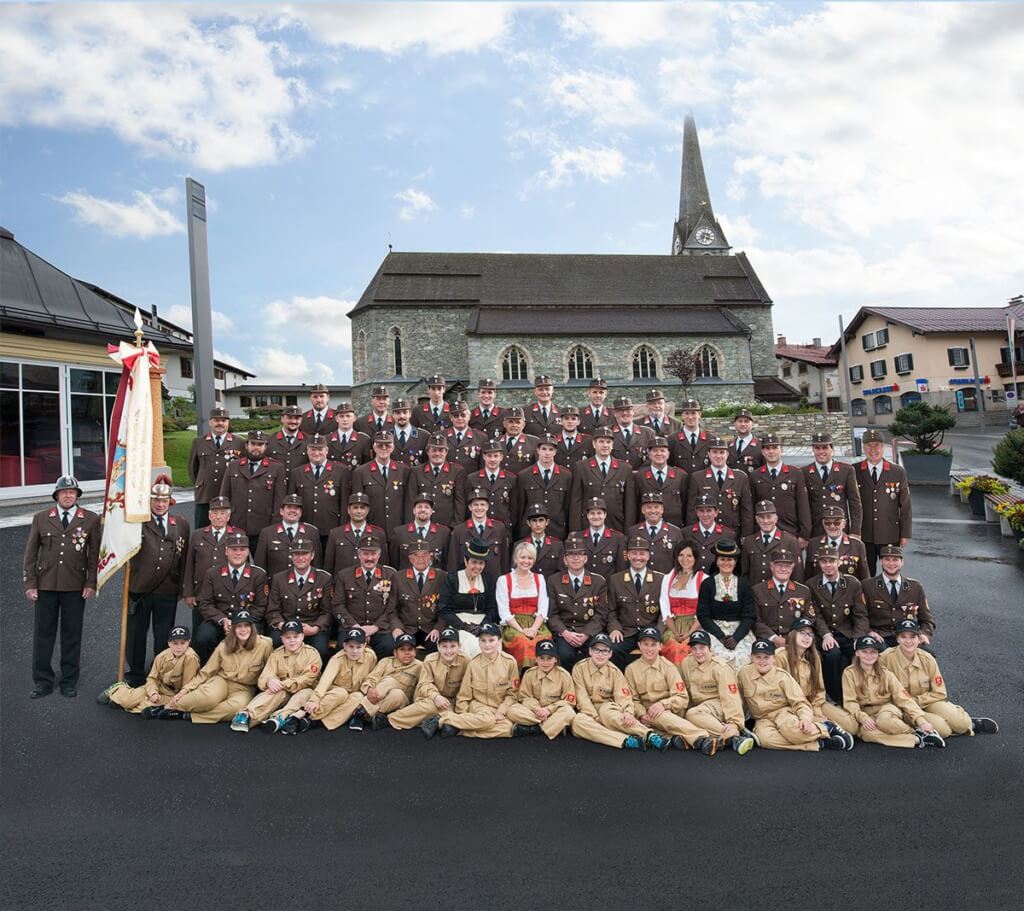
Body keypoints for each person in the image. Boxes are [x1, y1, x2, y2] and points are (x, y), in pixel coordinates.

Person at [22, 475, 100, 698]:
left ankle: (69, 681)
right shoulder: (41, 518)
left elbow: (94, 555)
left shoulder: (91, 519)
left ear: (77, 496)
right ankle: (43, 681)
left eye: (72, 492)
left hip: (75, 586)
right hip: (45, 585)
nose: (68, 495)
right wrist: (30, 584)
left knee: (71, 634)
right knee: (43, 634)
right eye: (64, 492)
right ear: (56, 495)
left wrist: (91, 582)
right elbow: (30, 555)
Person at [880, 619, 997, 738]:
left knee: (961, 724)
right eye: (903, 637)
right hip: (903, 708)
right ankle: (921, 728)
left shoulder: (927, 659)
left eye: (912, 637)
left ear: (919, 638)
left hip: (927, 702)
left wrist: (917, 700)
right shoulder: (885, 658)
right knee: (943, 730)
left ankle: (965, 721)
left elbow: (940, 692)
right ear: (897, 639)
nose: (908, 641)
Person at [125, 476, 190, 688]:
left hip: (167, 588)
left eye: (164, 500)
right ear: (149, 501)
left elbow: (185, 557)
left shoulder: (181, 524)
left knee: (163, 634)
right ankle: (135, 673)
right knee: (136, 635)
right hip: (140, 588)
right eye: (156, 500)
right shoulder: (137, 521)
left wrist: (182, 588)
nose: (160, 504)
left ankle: (159, 671)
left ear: (170, 501)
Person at [738, 640, 849, 752]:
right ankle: (820, 744)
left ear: (774, 659)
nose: (762, 661)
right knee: (765, 740)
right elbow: (738, 700)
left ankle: (826, 728)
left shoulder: (783, 677)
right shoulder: (743, 673)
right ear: (751, 657)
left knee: (794, 731)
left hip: (783, 713)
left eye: (766, 657)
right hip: (762, 719)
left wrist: (805, 719)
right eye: (758, 657)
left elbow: (801, 702)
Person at [569, 633, 669, 751]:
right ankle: (626, 740)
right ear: (590, 651)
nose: (600, 654)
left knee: (608, 713)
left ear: (610, 654)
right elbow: (582, 697)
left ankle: (649, 735)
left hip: (607, 708)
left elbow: (623, 696)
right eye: (597, 650)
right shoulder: (579, 668)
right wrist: (595, 717)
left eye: (605, 651)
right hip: (588, 712)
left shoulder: (615, 672)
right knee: (577, 722)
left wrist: (628, 712)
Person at [169, 610, 273, 723]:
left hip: (244, 688)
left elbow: (269, 670)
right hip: (222, 681)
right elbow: (206, 672)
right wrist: (184, 691)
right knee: (208, 698)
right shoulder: (224, 645)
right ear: (233, 628)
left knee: (235, 708)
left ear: (252, 627)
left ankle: (187, 715)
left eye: (247, 625)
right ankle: (168, 707)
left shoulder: (265, 645)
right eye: (239, 626)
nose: (243, 630)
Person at [842, 636, 945, 749]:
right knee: (867, 734)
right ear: (857, 653)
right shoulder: (849, 673)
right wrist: (863, 718)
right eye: (864, 651)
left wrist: (921, 722)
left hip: (887, 709)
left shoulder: (886, 673)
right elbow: (850, 702)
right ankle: (917, 739)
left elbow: (903, 697)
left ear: (877, 655)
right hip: (866, 713)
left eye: (873, 652)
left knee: (884, 721)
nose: (869, 655)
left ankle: (914, 730)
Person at [420, 623, 519, 740]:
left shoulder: (510, 662)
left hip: (498, 706)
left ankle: (457, 728)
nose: (487, 645)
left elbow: (513, 694)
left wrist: (501, 711)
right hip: (478, 706)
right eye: (483, 640)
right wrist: (464, 714)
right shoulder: (473, 664)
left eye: (491, 640)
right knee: (488, 720)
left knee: (508, 729)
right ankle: (442, 720)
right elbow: (463, 696)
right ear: (479, 643)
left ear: (499, 641)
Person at [625, 627, 712, 752]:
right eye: (646, 644)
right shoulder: (631, 670)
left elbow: (682, 698)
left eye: (654, 644)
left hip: (668, 712)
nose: (650, 649)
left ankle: (701, 737)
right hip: (646, 716)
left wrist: (663, 704)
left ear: (660, 646)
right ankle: (678, 737)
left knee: (659, 716)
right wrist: (641, 713)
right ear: (639, 645)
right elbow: (631, 699)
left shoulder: (669, 667)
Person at [277, 627, 378, 734]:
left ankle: (314, 722)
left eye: (359, 647)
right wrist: (314, 700)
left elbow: (371, 677)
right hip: (334, 692)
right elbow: (324, 682)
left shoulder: (371, 656)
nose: (355, 651)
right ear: (344, 646)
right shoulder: (337, 659)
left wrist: (370, 688)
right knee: (341, 693)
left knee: (358, 696)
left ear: (365, 646)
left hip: (354, 693)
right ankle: (299, 715)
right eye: (351, 647)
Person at [773, 617, 858, 743]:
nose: (807, 637)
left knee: (852, 726)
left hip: (814, 703)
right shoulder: (781, 656)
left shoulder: (814, 657)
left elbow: (819, 688)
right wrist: (805, 711)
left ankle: (825, 728)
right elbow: (777, 692)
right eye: (802, 633)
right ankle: (826, 728)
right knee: (802, 727)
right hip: (793, 707)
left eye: (810, 634)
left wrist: (816, 708)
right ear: (792, 635)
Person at [233, 620, 322, 733]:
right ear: (282, 639)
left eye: (296, 636)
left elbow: (308, 679)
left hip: (303, 690)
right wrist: (270, 681)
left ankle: (279, 718)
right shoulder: (276, 654)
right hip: (283, 691)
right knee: (272, 692)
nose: (292, 640)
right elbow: (265, 675)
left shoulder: (312, 654)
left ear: (302, 636)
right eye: (288, 637)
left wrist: (283, 684)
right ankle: (246, 715)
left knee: (305, 694)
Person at [194, 531, 268, 663]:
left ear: (247, 552)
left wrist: (239, 623)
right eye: (234, 549)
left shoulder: (258, 575)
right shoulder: (212, 573)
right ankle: (208, 672)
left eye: (242, 549)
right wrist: (222, 620)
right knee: (203, 637)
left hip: (247, 621)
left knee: (258, 641)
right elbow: (205, 604)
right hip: (220, 621)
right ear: (226, 551)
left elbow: (261, 606)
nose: (238, 553)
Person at [807, 545, 868, 702]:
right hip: (825, 635)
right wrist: (826, 634)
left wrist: (858, 638)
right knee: (832, 654)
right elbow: (816, 615)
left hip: (847, 633)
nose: (828, 565)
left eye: (832, 561)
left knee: (866, 651)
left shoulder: (853, 583)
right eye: (824, 561)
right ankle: (835, 697)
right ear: (819, 564)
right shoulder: (811, 585)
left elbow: (860, 615)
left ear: (839, 562)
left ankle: (865, 695)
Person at [678, 630, 755, 755]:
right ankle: (718, 738)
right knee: (684, 716)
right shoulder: (686, 663)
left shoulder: (721, 668)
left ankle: (735, 736)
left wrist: (734, 723)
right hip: (702, 708)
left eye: (702, 648)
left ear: (710, 648)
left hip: (720, 705)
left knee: (692, 714)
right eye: (694, 648)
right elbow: (685, 689)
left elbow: (731, 698)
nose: (698, 652)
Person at [98, 625, 200, 717]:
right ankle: (118, 689)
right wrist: (153, 693)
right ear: (169, 643)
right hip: (159, 687)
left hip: (176, 694)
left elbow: (188, 685)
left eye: (183, 643)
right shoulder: (162, 656)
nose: (179, 647)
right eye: (175, 643)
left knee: (147, 706)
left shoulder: (190, 658)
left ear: (189, 642)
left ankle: (121, 700)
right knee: (128, 701)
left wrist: (177, 698)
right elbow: (152, 678)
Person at [387, 628, 470, 732]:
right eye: (444, 646)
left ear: (459, 646)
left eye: (453, 646)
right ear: (438, 647)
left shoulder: (466, 661)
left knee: (452, 713)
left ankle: (435, 721)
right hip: (429, 697)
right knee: (430, 707)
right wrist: (436, 697)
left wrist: (460, 708)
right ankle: (392, 718)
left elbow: (466, 688)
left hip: (450, 701)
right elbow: (424, 684)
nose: (449, 651)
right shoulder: (430, 660)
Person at [546, 534, 609, 669]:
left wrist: (586, 634)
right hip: (565, 631)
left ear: (585, 558)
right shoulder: (554, 581)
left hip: (589, 631)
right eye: (571, 554)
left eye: (580, 554)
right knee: (564, 655)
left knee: (598, 653)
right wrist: (565, 633)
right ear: (565, 559)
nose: (576, 558)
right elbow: (552, 614)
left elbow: (601, 614)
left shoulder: (598, 582)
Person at [265, 537, 332, 663]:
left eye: (304, 553)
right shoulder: (279, 578)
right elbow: (273, 611)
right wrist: (283, 626)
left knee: (321, 649)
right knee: (273, 643)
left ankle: (314, 678)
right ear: (291, 556)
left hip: (311, 627)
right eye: (296, 554)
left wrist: (315, 628)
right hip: (286, 626)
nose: (300, 558)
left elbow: (327, 611)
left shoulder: (324, 578)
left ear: (312, 555)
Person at [855, 429, 912, 575]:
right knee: (866, 573)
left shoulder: (897, 471)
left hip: (890, 533)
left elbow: (905, 505)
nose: (873, 450)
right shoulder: (854, 471)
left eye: (877, 445)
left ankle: (889, 597)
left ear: (883, 447)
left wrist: (905, 533)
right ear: (863, 448)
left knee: (891, 571)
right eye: (869, 445)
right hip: (864, 533)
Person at [219, 430, 287, 549]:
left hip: (263, 526)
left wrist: (275, 527)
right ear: (246, 445)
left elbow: (279, 501)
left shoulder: (276, 468)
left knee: (261, 564)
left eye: (260, 445)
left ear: (266, 447)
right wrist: (225, 523)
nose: (256, 448)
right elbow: (224, 497)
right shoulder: (233, 466)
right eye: (253, 444)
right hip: (237, 524)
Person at [333, 535, 398, 657]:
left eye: (373, 554)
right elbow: (337, 605)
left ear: (379, 555)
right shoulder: (344, 575)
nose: (369, 558)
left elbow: (393, 607)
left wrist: (375, 627)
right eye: (365, 554)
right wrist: (357, 628)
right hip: (351, 626)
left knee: (388, 646)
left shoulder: (390, 574)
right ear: (359, 555)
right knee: (342, 646)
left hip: (380, 628)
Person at [696, 539, 756, 669]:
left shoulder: (744, 584)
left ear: (735, 562)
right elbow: (703, 615)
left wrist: (736, 638)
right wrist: (722, 637)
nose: (726, 563)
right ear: (717, 561)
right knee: (716, 657)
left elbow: (749, 615)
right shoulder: (707, 584)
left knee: (744, 656)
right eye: (722, 559)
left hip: (739, 632)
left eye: (730, 559)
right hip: (714, 630)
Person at [607, 535, 664, 670]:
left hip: (650, 630)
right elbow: (611, 610)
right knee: (612, 649)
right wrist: (614, 628)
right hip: (626, 631)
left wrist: (657, 631)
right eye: (634, 553)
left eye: (642, 553)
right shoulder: (616, 580)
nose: (638, 557)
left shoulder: (660, 579)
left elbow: (664, 612)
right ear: (627, 555)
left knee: (656, 651)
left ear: (648, 556)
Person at [862, 545, 935, 647]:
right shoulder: (867, 585)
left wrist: (924, 634)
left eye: (895, 560)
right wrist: (869, 632)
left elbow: (927, 619)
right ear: (881, 561)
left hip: (907, 636)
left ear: (902, 562)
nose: (891, 563)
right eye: (887, 559)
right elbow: (861, 616)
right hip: (880, 636)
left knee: (928, 656)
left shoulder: (915, 587)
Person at [438, 538, 500, 658]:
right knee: (466, 644)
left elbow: (492, 608)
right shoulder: (453, 579)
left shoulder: (487, 579)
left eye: (481, 563)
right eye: (474, 562)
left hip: (482, 623)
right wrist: (464, 626)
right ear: (466, 561)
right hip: (458, 623)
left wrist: (483, 625)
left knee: (489, 644)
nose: (477, 567)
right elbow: (444, 609)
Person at [349, 633, 424, 731]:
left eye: (410, 649)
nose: (407, 653)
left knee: (397, 692)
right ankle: (372, 716)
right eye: (402, 650)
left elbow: (422, 687)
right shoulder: (385, 662)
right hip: (379, 700)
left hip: (400, 702)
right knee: (392, 686)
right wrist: (369, 689)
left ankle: (361, 712)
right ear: (395, 652)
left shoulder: (420, 666)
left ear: (415, 652)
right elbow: (371, 679)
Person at [288, 434, 349, 552]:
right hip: (304, 528)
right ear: (307, 451)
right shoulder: (297, 473)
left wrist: (342, 528)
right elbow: (291, 504)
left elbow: (344, 501)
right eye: (313, 449)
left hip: (330, 527)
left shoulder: (340, 471)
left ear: (326, 450)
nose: (316, 453)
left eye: (320, 449)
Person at [182, 496, 237, 626]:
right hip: (201, 593)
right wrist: (189, 593)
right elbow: (189, 565)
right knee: (199, 632)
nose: (218, 517)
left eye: (222, 513)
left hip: (227, 594)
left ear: (228, 517)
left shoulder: (237, 536)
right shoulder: (197, 535)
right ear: (209, 515)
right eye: (215, 513)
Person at [748, 433, 812, 544]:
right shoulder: (755, 475)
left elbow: (803, 506)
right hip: (763, 532)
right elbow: (751, 506)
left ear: (781, 450)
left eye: (774, 448)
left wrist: (804, 535)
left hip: (790, 531)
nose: (771, 451)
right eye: (767, 448)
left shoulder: (795, 473)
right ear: (763, 452)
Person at [569, 426, 636, 532]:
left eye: (608, 442)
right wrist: (575, 531)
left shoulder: (625, 468)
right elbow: (576, 502)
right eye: (601, 442)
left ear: (612, 445)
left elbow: (629, 504)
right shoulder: (581, 467)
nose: (605, 445)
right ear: (594, 444)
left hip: (616, 525)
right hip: (588, 526)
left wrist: (628, 531)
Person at [497, 541, 552, 669]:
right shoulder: (504, 580)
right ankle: (522, 679)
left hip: (536, 624)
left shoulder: (540, 579)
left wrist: (533, 629)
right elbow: (504, 612)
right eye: (522, 557)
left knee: (544, 641)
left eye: (530, 558)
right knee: (523, 643)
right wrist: (522, 631)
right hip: (513, 626)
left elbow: (543, 608)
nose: (526, 561)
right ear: (515, 558)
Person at [507, 639, 577, 739]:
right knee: (512, 710)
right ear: (536, 659)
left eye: (549, 658)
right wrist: (538, 710)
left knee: (569, 712)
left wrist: (549, 709)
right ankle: (551, 726)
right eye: (542, 658)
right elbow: (524, 697)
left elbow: (569, 701)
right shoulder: (529, 674)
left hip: (554, 712)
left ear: (556, 659)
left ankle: (533, 728)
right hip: (535, 712)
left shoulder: (564, 676)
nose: (545, 662)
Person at [685, 436, 753, 537]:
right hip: (706, 534)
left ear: (727, 454)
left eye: (722, 452)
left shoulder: (740, 478)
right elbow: (692, 510)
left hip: (733, 533)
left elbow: (746, 511)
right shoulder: (697, 477)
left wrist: (746, 536)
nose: (718, 456)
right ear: (708, 454)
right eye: (715, 452)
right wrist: (692, 535)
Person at [187, 406, 243, 530]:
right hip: (205, 493)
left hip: (230, 493)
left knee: (230, 530)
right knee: (202, 529)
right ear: (210, 422)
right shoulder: (198, 442)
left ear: (228, 423)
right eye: (217, 420)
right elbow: (193, 468)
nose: (220, 423)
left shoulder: (239, 442)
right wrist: (201, 483)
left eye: (224, 420)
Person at [804, 432, 863, 538]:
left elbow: (855, 503)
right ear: (813, 449)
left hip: (840, 529)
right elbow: (803, 506)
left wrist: (855, 531)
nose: (821, 451)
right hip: (816, 531)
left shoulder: (846, 470)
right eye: (817, 448)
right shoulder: (804, 472)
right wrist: (804, 534)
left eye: (825, 447)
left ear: (832, 449)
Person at [752, 549, 814, 647]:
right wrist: (773, 638)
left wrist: (796, 637)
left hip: (795, 641)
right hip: (767, 641)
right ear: (772, 567)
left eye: (787, 566)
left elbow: (809, 618)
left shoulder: (803, 591)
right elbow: (755, 620)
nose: (783, 569)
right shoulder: (758, 590)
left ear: (792, 568)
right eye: (779, 565)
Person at [350, 432, 409, 536]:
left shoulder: (404, 470)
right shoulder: (361, 472)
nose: (384, 448)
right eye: (380, 445)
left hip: (398, 528)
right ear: (374, 447)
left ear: (393, 447)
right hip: (372, 529)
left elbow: (408, 501)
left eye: (388, 445)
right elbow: (358, 504)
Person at [253, 494, 322, 581]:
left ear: (300, 512)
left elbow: (317, 564)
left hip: (304, 586)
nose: (293, 510)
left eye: (296, 508)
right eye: (289, 507)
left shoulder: (312, 532)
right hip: (275, 586)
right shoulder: (267, 533)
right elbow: (260, 565)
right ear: (281, 511)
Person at [392, 540, 445, 651]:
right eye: (416, 555)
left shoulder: (442, 576)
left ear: (431, 557)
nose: (421, 558)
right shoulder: (398, 577)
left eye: (425, 554)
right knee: (400, 649)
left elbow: (446, 608)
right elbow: (392, 608)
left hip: (430, 629)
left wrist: (438, 628)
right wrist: (397, 627)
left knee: (439, 648)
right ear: (410, 558)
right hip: (407, 629)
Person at [658, 542, 705, 667]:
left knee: (688, 648)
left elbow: (704, 612)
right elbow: (665, 608)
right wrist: (674, 631)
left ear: (695, 558)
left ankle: (690, 683)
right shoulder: (668, 578)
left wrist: (689, 633)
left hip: (696, 626)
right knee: (674, 647)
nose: (685, 559)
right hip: (673, 625)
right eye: (681, 555)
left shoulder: (704, 579)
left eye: (689, 556)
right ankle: (676, 682)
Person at [516, 434, 571, 538]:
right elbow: (521, 506)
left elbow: (567, 506)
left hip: (557, 530)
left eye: (551, 449)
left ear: (555, 452)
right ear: (538, 450)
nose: (547, 453)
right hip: (530, 530)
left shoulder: (566, 475)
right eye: (544, 449)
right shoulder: (525, 475)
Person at [448, 488, 511, 579]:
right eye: (475, 505)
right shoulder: (459, 530)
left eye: (482, 504)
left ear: (488, 507)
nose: (479, 508)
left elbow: (505, 560)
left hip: (493, 580)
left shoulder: (499, 528)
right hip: (468, 581)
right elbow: (453, 562)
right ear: (470, 507)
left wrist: (505, 580)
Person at [406, 432, 466, 528]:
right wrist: (411, 525)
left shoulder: (457, 471)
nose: (437, 454)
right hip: (421, 524)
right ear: (428, 452)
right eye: (434, 450)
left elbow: (460, 502)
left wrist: (456, 526)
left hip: (446, 526)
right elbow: (410, 501)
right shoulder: (416, 471)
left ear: (446, 452)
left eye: (441, 450)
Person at [323, 492, 388, 577]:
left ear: (367, 510)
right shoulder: (335, 534)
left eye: (362, 508)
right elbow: (329, 566)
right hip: (342, 586)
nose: (359, 511)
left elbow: (384, 565)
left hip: (370, 586)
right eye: (355, 508)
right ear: (348, 510)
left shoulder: (378, 534)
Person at [740, 500, 803, 586]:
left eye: (769, 517)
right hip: (754, 594)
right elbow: (745, 573)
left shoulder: (790, 541)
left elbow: (797, 575)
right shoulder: (749, 541)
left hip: (780, 596)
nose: (766, 521)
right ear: (756, 519)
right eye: (762, 517)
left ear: (776, 518)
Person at [804, 505, 870, 582]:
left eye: (837, 523)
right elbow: (808, 576)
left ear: (844, 524)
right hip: (820, 592)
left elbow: (865, 577)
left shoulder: (857, 545)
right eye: (827, 523)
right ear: (823, 524)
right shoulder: (813, 544)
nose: (832, 526)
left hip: (848, 592)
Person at [633, 436, 686, 528]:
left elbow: (685, 503)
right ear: (649, 454)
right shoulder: (639, 476)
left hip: (675, 527)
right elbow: (635, 504)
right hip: (647, 528)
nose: (659, 453)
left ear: (668, 454)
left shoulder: (681, 475)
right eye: (655, 451)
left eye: (662, 450)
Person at [389, 493, 450, 570]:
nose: (423, 510)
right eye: (419, 507)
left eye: (426, 507)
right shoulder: (399, 533)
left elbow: (446, 563)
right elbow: (394, 563)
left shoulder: (443, 533)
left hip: (435, 580)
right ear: (414, 510)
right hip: (406, 580)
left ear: (431, 511)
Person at [467, 439, 520, 528]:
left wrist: (509, 524)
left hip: (503, 528)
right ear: (484, 457)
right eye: (489, 456)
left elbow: (514, 508)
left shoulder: (511, 478)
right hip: (478, 527)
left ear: (501, 457)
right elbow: (467, 506)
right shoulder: (472, 478)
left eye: (496, 456)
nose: (492, 459)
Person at [629, 491, 685, 574]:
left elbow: (680, 561)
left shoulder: (675, 532)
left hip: (666, 581)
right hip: (641, 582)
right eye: (649, 507)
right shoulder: (633, 531)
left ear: (662, 509)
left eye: (656, 507)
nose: (653, 510)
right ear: (643, 510)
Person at [682, 495, 734, 573]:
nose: (705, 514)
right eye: (701, 511)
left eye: (709, 510)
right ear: (697, 513)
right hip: (693, 578)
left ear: (716, 512)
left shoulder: (728, 534)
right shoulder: (686, 533)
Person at [580, 497, 627, 575]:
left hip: (607, 585)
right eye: (592, 513)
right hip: (584, 586)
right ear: (587, 515)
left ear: (605, 515)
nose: (596, 517)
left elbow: (621, 569)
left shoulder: (618, 538)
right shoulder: (578, 537)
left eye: (599, 513)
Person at [519, 503, 565, 577]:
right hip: (528, 586)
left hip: (549, 587)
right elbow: (516, 571)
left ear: (547, 522)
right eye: (534, 520)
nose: (538, 524)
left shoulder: (557, 545)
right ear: (528, 523)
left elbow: (561, 572)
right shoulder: (520, 545)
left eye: (541, 520)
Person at [609, 396, 655, 469]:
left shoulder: (647, 433)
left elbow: (652, 458)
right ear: (614, 413)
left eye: (628, 410)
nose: (624, 413)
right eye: (620, 410)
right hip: (616, 477)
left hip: (641, 476)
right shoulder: (607, 432)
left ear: (633, 411)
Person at [327, 401, 372, 469]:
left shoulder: (364, 440)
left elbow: (367, 466)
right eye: (341, 416)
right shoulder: (327, 440)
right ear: (336, 419)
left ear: (354, 418)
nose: (345, 419)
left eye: (348, 416)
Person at [266, 405, 309, 476]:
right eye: (289, 418)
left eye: (297, 418)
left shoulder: (308, 441)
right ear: (282, 419)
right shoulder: (269, 440)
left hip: (299, 484)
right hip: (277, 483)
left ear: (301, 420)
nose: (293, 421)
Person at [670, 399, 710, 476]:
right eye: (687, 413)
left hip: (704, 485)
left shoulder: (710, 439)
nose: (690, 417)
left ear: (699, 414)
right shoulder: (672, 440)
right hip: (681, 485)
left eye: (693, 413)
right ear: (682, 416)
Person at [497, 406, 539, 475]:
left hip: (523, 483)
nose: (514, 425)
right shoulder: (495, 442)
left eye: (518, 422)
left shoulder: (534, 442)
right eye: (510, 422)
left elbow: (538, 468)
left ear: (523, 424)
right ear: (504, 424)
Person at [389, 398, 428, 467]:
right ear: (393, 414)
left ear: (410, 413)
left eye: (405, 412)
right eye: (398, 413)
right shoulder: (386, 436)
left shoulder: (424, 436)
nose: (402, 416)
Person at [524, 375, 562, 439]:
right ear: (535, 392)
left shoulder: (561, 412)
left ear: (552, 391)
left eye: (547, 389)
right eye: (540, 390)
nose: (544, 392)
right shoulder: (526, 412)